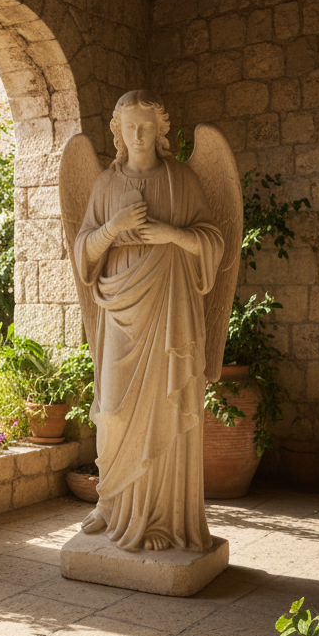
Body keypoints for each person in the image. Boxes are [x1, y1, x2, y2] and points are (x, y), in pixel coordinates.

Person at [74, 91, 224, 552]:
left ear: (161, 132)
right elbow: (82, 252)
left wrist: (172, 234)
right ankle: (111, 504)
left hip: (170, 311)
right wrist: (112, 229)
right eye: (129, 128)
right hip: (120, 312)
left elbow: (213, 240)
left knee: (163, 403)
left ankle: (160, 519)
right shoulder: (104, 184)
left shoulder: (181, 180)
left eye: (146, 127)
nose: (138, 135)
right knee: (114, 410)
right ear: (118, 133)